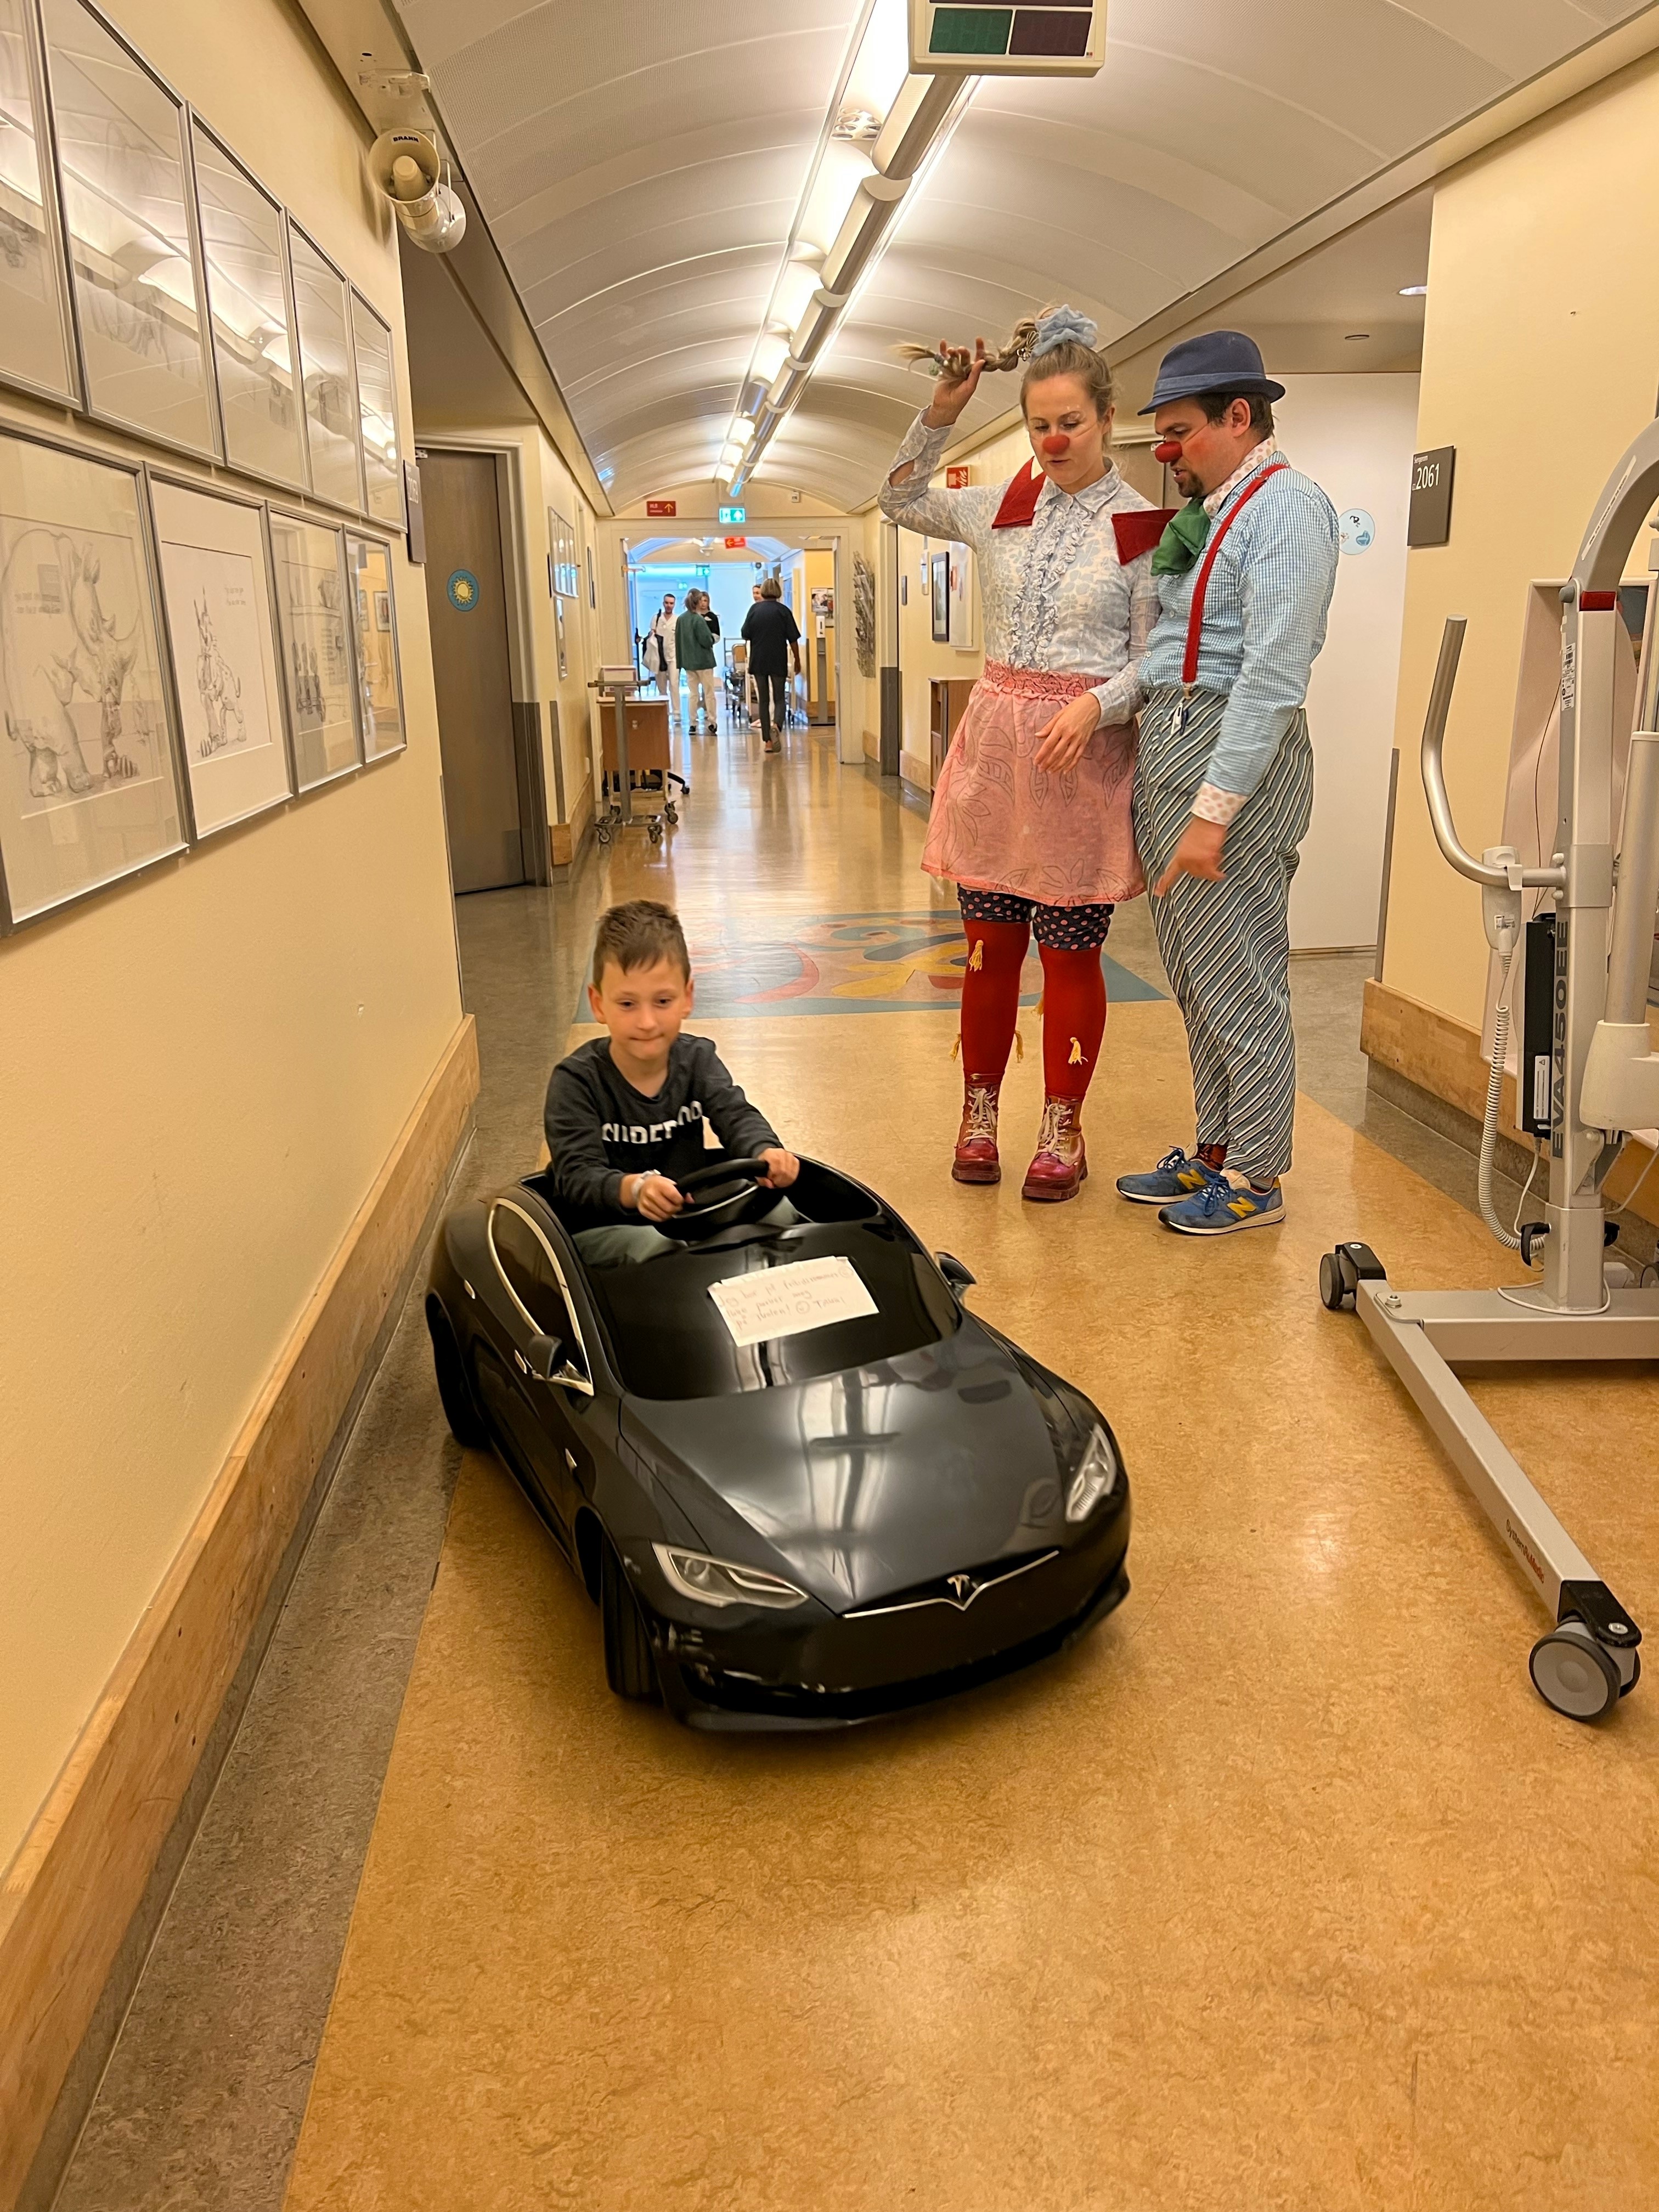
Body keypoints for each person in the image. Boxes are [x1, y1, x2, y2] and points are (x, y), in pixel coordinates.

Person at [1043, 330, 1339, 1236]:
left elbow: (1269, 678)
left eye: (1177, 431)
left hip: (1228, 770)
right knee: (1198, 980)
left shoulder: (1287, 510)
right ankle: (1213, 1147)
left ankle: (1255, 1175)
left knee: (1242, 981)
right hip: (1173, 758)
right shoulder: (1213, 512)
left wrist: (1213, 814)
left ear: (1238, 416)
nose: (1164, 451)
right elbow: (1171, 657)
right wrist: (1099, 704)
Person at [878, 304, 1160, 1202]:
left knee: (1070, 954)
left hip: (1078, 765)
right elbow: (896, 499)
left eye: (1069, 422)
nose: (1051, 440)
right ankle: (977, 1114)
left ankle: (1061, 1129)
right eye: (1038, 424)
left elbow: (1159, 656)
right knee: (986, 951)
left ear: (1106, 418)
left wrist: (1098, 702)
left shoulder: (1143, 526)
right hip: (996, 762)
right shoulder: (999, 503)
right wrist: (941, 410)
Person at [545, 901, 800, 1266]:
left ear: (687, 998)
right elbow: (577, 1177)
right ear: (599, 1005)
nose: (647, 1021)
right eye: (628, 1004)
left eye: (662, 1001)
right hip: (607, 1227)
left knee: (782, 1216)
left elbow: (735, 1114)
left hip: (687, 1218)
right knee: (657, 1251)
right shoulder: (577, 1081)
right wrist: (635, 1189)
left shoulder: (697, 1060)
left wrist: (765, 1151)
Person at [740, 577, 802, 755]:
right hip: (778, 659)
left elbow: (745, 633)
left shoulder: (754, 610)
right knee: (780, 698)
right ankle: (777, 726)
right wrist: (797, 661)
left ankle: (768, 741)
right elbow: (793, 639)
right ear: (778, 592)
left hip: (759, 660)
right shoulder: (784, 611)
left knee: (764, 701)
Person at [675, 591, 720, 734]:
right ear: (697, 602)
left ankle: (693, 723)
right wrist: (712, 640)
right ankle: (712, 722)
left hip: (689, 663)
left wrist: (681, 661)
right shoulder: (698, 620)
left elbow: (678, 641)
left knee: (693, 694)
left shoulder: (681, 619)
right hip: (704, 662)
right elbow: (707, 640)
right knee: (709, 693)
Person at [644, 591, 680, 724]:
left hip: (673, 656)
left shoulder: (677, 620)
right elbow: (652, 633)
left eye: (671, 603)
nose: (669, 606)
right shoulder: (657, 618)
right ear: (663, 603)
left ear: (674, 604)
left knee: (674, 684)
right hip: (659, 657)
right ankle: (665, 710)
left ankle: (677, 712)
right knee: (662, 685)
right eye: (667, 603)